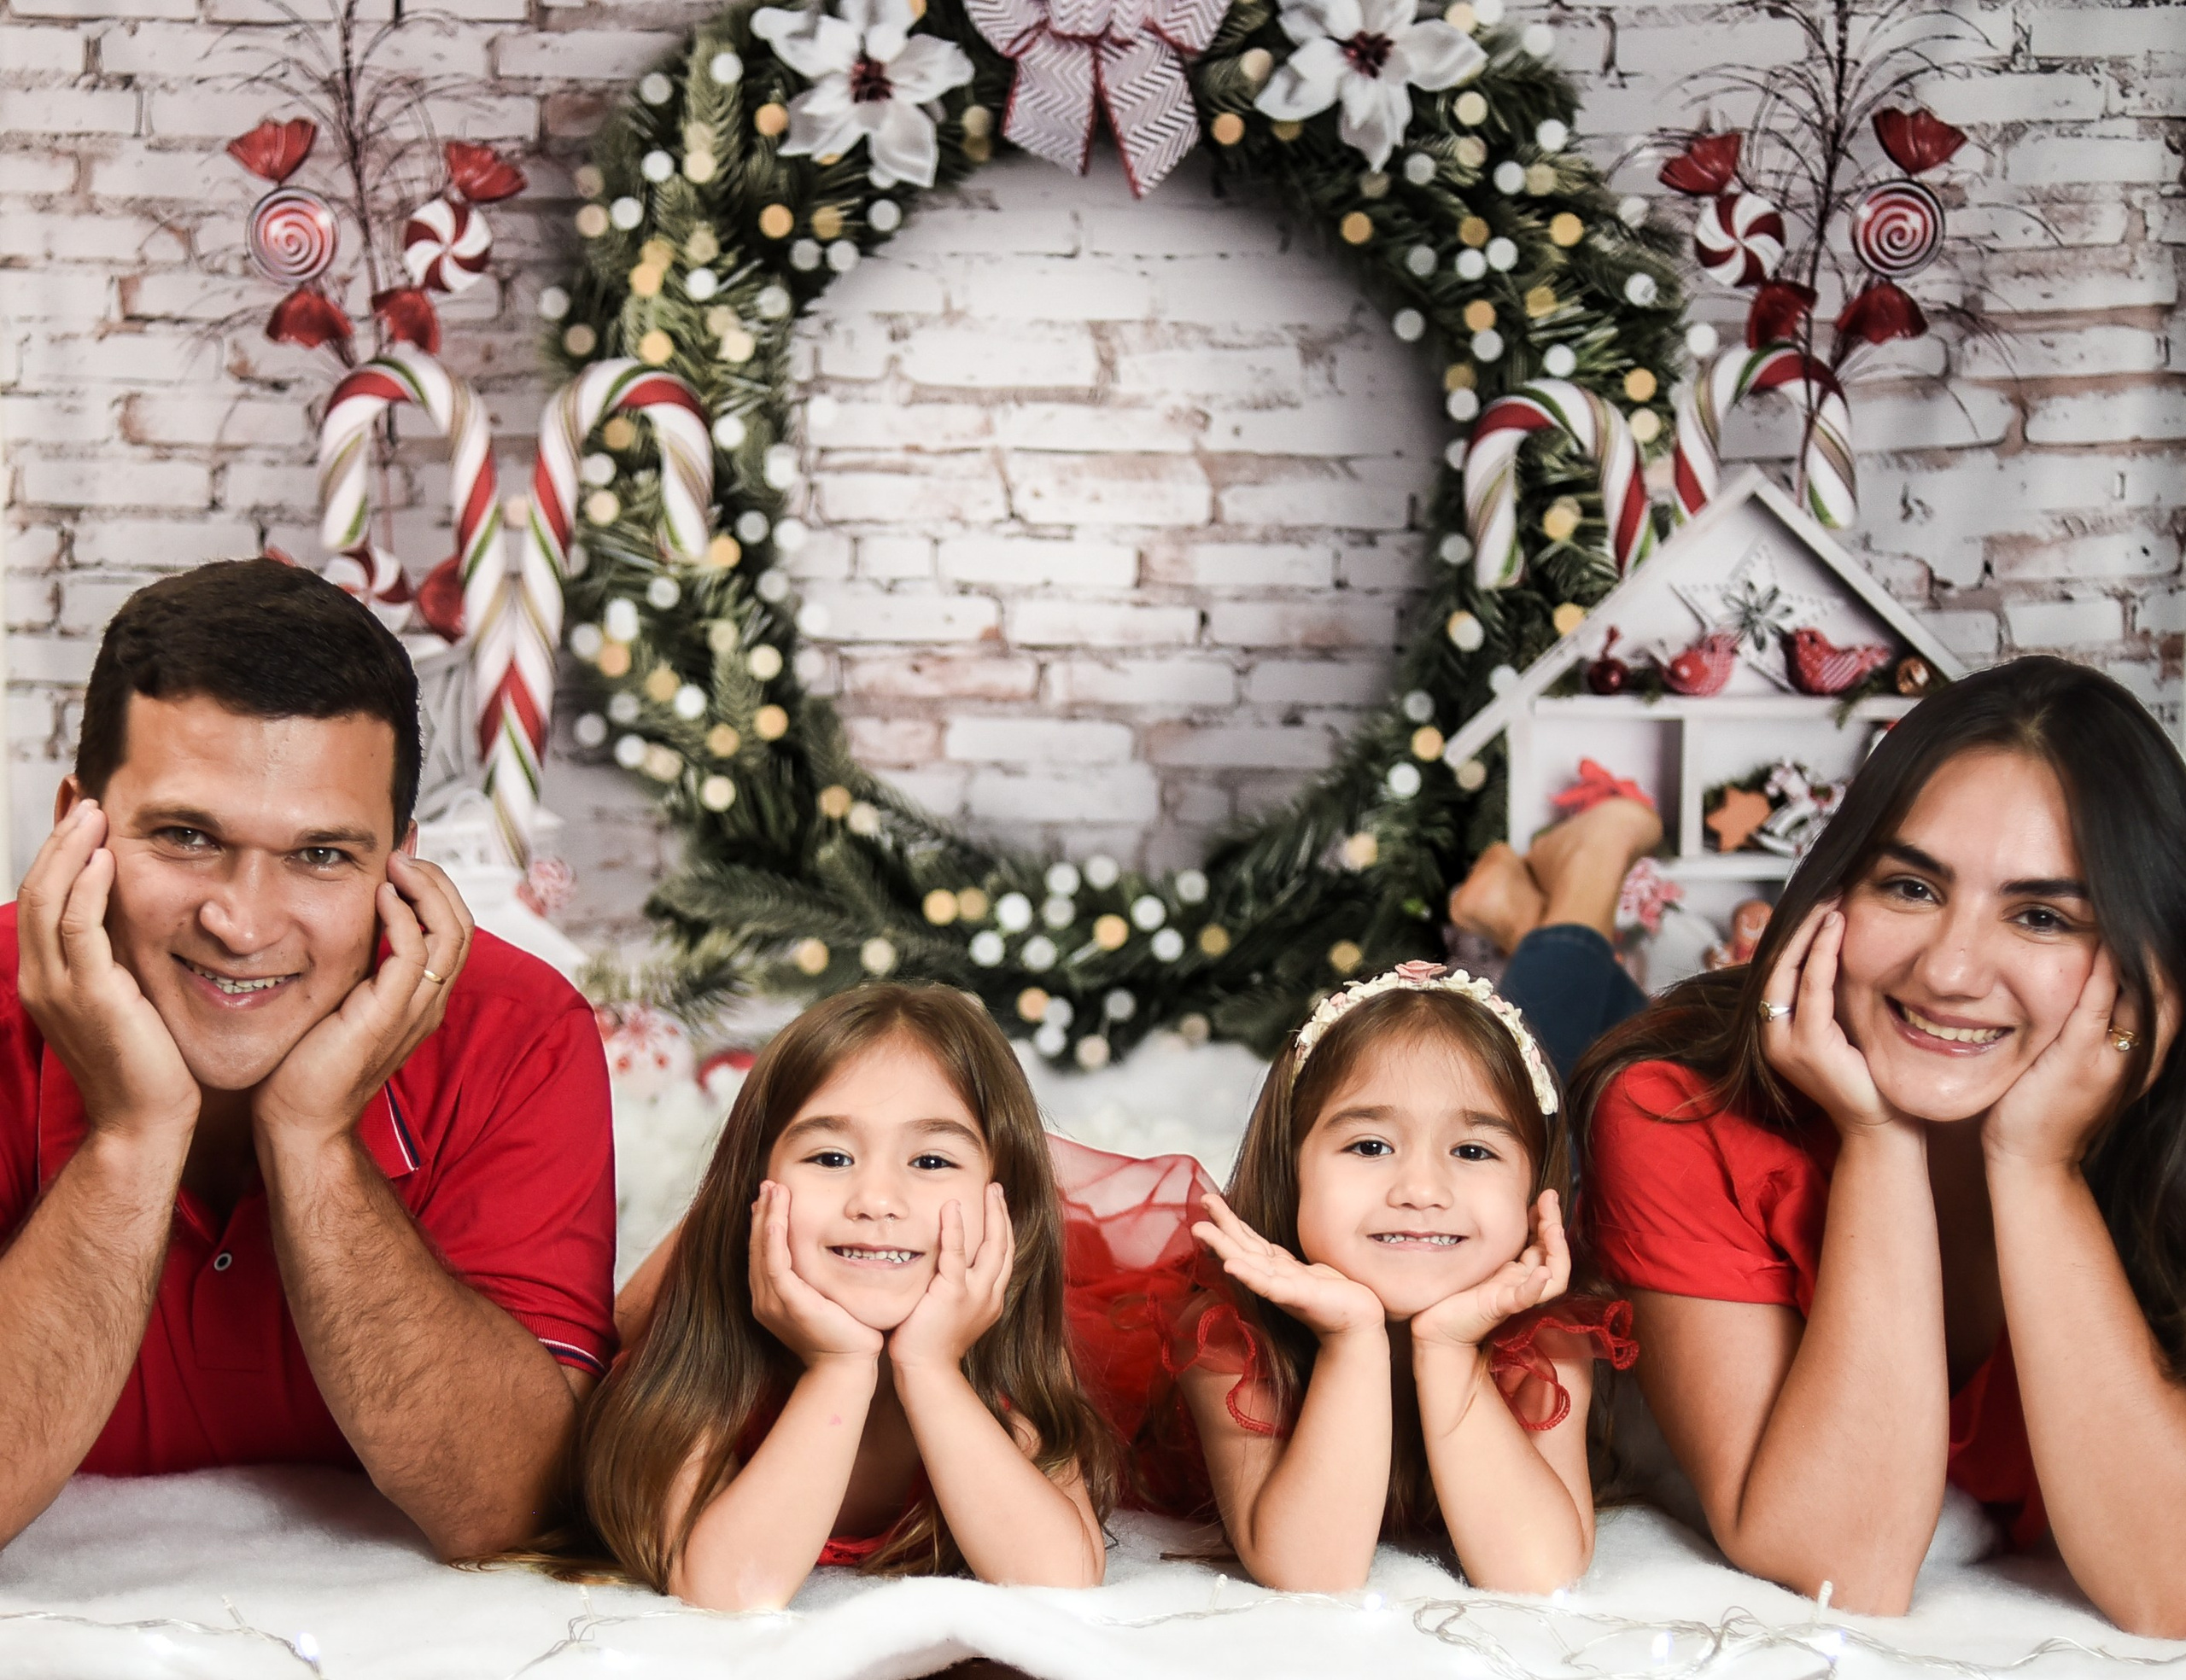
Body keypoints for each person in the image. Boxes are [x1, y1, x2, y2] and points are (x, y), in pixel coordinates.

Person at [0, 559, 615, 1559]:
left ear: (398, 864)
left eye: (321, 855)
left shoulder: (521, 1035)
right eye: (188, 836)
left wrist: (315, 1139)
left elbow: (509, 1509)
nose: (243, 925)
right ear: (79, 826)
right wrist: (133, 1136)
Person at [1573, 656, 2186, 1637]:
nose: (1948, 971)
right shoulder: (1672, 1107)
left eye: (2039, 916)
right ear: (1833, 895)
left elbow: (2172, 1585)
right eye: (1908, 887)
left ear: (2149, 963)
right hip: (1660, 1057)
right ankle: (1573, 887)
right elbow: (1840, 1564)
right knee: (1533, 1032)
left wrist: (2036, 1166)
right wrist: (1878, 1138)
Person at [587, 983, 1115, 1608]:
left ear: (1005, 1203)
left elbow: (1061, 1580)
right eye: (832, 1157)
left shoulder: (1005, 1358)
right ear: (758, 1185)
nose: (876, 1201)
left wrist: (932, 1367)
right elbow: (725, 1591)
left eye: (932, 1162)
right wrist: (838, 1367)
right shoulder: (704, 1357)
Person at [1156, 962, 1636, 1593]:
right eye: (1370, 1146)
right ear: (1291, 1172)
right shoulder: (1229, 1333)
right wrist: (1350, 1339)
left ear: (1533, 1196)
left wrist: (1450, 1347)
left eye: (1472, 1151)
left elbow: (1539, 1574)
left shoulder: (1545, 1341)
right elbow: (1312, 1574)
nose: (1421, 1190)